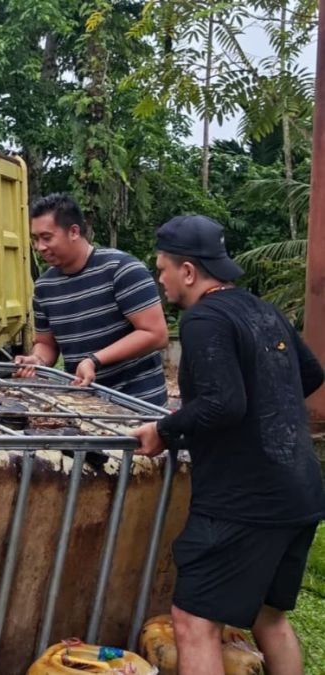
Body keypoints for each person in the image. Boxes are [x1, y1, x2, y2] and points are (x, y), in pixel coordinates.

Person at [131, 214, 325, 675]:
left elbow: (223, 404)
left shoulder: (204, 320)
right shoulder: (262, 309)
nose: (160, 279)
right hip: (299, 489)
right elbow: (311, 374)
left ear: (189, 271)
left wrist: (164, 430)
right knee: (267, 616)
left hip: (244, 503)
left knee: (194, 622)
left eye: (162, 268)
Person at [14, 194, 169, 405]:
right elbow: (45, 344)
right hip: (85, 405)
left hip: (137, 403)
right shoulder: (44, 287)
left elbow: (155, 334)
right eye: (35, 239)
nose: (40, 247)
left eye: (47, 237)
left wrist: (95, 360)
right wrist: (37, 360)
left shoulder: (122, 270)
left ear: (74, 231)